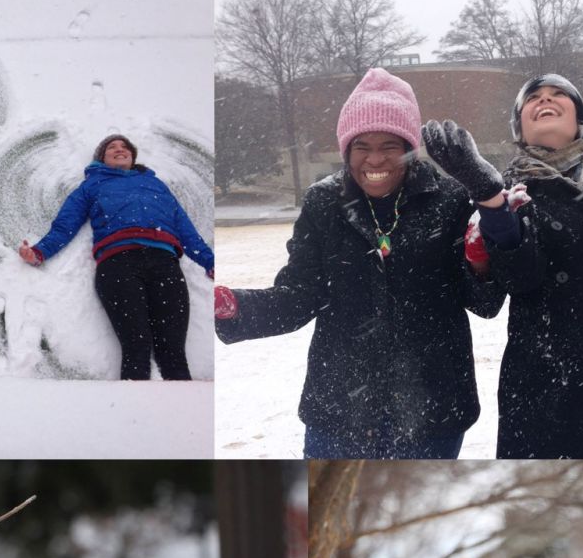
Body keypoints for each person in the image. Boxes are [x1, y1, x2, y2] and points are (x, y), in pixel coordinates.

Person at [214, 68, 500, 458]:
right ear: (346, 149)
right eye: (362, 145)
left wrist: (481, 260)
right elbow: (300, 295)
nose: (375, 158)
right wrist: (233, 307)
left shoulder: (449, 200)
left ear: (410, 146)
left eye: (390, 145)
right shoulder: (323, 203)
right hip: (341, 408)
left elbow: (483, 301)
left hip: (432, 404)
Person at [424, 73, 583, 458]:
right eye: (532, 98)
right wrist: (489, 198)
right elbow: (512, 283)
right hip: (550, 381)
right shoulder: (507, 192)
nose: (544, 100)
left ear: (579, 118)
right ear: (520, 126)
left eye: (558, 94)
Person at [18, 134, 212, 381]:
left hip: (165, 264)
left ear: (133, 156)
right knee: (136, 347)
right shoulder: (92, 185)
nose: (120, 150)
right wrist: (39, 252)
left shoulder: (156, 184)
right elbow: (66, 224)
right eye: (112, 147)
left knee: (173, 353)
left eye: (125, 147)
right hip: (119, 264)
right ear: (102, 157)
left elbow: (185, 229)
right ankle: (132, 414)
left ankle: (180, 416)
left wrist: (210, 262)